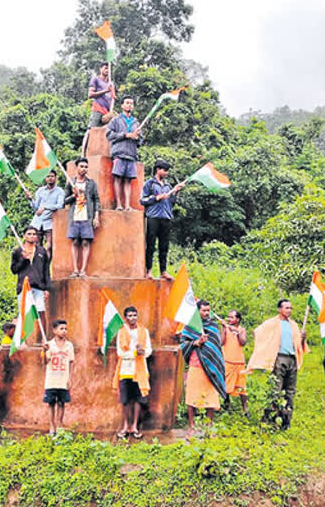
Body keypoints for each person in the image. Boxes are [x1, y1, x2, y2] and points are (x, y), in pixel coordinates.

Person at [245, 299, 309, 430]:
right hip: (279, 358)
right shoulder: (272, 323)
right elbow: (257, 332)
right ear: (279, 309)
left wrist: (303, 339)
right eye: (286, 308)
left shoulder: (294, 325)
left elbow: (299, 344)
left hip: (292, 359)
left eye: (291, 308)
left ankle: (286, 420)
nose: (289, 310)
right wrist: (268, 344)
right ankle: (269, 418)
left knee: (290, 391)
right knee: (276, 390)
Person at [179, 300, 227, 436]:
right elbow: (183, 345)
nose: (206, 313)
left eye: (208, 310)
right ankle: (192, 426)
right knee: (192, 396)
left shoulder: (213, 325)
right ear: (197, 311)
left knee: (211, 396)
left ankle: (209, 425)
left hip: (211, 365)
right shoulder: (190, 326)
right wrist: (197, 342)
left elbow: (220, 343)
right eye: (203, 310)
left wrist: (223, 328)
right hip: (196, 364)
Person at [140, 160, 185, 280]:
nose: (166, 173)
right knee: (150, 245)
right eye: (164, 170)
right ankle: (148, 271)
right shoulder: (149, 184)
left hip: (166, 217)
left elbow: (171, 203)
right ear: (158, 170)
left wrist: (175, 192)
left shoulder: (167, 186)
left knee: (164, 246)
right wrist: (156, 198)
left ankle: (163, 271)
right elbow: (142, 200)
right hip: (153, 217)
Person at [112, 306, 152, 439]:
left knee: (138, 400)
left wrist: (143, 352)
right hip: (125, 370)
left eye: (134, 315)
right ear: (125, 317)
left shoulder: (144, 331)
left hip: (140, 370)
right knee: (125, 400)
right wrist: (135, 353)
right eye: (130, 316)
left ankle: (134, 426)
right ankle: (125, 426)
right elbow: (120, 353)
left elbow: (149, 350)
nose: (132, 318)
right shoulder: (122, 332)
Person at [64, 157, 101, 277]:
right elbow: (64, 201)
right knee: (74, 241)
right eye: (81, 166)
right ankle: (75, 269)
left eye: (86, 167)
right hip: (74, 217)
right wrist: (73, 196)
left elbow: (96, 200)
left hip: (87, 216)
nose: (84, 169)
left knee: (86, 242)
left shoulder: (91, 183)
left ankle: (83, 270)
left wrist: (96, 216)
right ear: (76, 168)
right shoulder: (71, 183)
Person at [10, 226, 50, 331]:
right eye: (29, 234)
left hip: (39, 287)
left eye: (34, 234)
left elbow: (46, 271)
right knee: (24, 313)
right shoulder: (18, 251)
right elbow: (14, 270)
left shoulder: (42, 251)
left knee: (41, 312)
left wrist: (47, 288)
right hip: (23, 287)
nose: (32, 236)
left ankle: (43, 338)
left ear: (37, 237)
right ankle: (25, 341)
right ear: (24, 236)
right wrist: (23, 259)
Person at [106, 96, 141, 211]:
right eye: (127, 103)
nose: (129, 105)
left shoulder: (136, 122)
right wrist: (125, 135)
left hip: (131, 154)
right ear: (122, 105)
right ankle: (119, 205)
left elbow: (141, 141)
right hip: (119, 153)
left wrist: (137, 137)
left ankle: (127, 205)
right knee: (118, 178)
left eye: (131, 103)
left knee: (128, 180)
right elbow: (109, 135)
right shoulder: (115, 120)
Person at [43, 319, 75, 435]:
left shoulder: (69, 345)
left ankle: (60, 425)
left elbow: (71, 362)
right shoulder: (49, 345)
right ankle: (52, 427)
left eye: (66, 329)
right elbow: (45, 362)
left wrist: (70, 378)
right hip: (51, 379)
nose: (64, 331)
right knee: (51, 403)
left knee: (62, 403)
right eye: (61, 329)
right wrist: (44, 350)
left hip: (63, 379)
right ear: (54, 330)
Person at [25, 169, 64, 256]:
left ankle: (46, 267)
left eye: (52, 176)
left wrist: (46, 207)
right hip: (37, 222)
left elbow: (60, 206)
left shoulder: (60, 191)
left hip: (49, 222)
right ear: (45, 178)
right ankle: (38, 267)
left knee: (49, 246)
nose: (50, 178)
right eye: (48, 176)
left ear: (55, 178)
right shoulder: (40, 191)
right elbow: (36, 208)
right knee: (37, 246)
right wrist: (30, 199)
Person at [221, 310, 248, 416]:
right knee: (226, 387)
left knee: (242, 387)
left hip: (239, 362)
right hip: (227, 361)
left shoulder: (242, 330)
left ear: (237, 319)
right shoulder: (226, 329)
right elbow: (221, 342)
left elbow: (243, 342)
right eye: (228, 317)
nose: (229, 319)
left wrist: (236, 332)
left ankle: (245, 410)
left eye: (231, 317)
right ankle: (226, 407)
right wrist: (224, 329)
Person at [87, 62, 115, 129]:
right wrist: (105, 91)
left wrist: (111, 111)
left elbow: (113, 98)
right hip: (98, 109)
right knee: (92, 130)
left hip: (107, 113)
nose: (107, 70)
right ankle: (85, 139)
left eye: (109, 69)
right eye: (105, 68)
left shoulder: (111, 83)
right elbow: (90, 95)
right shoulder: (96, 79)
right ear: (100, 69)